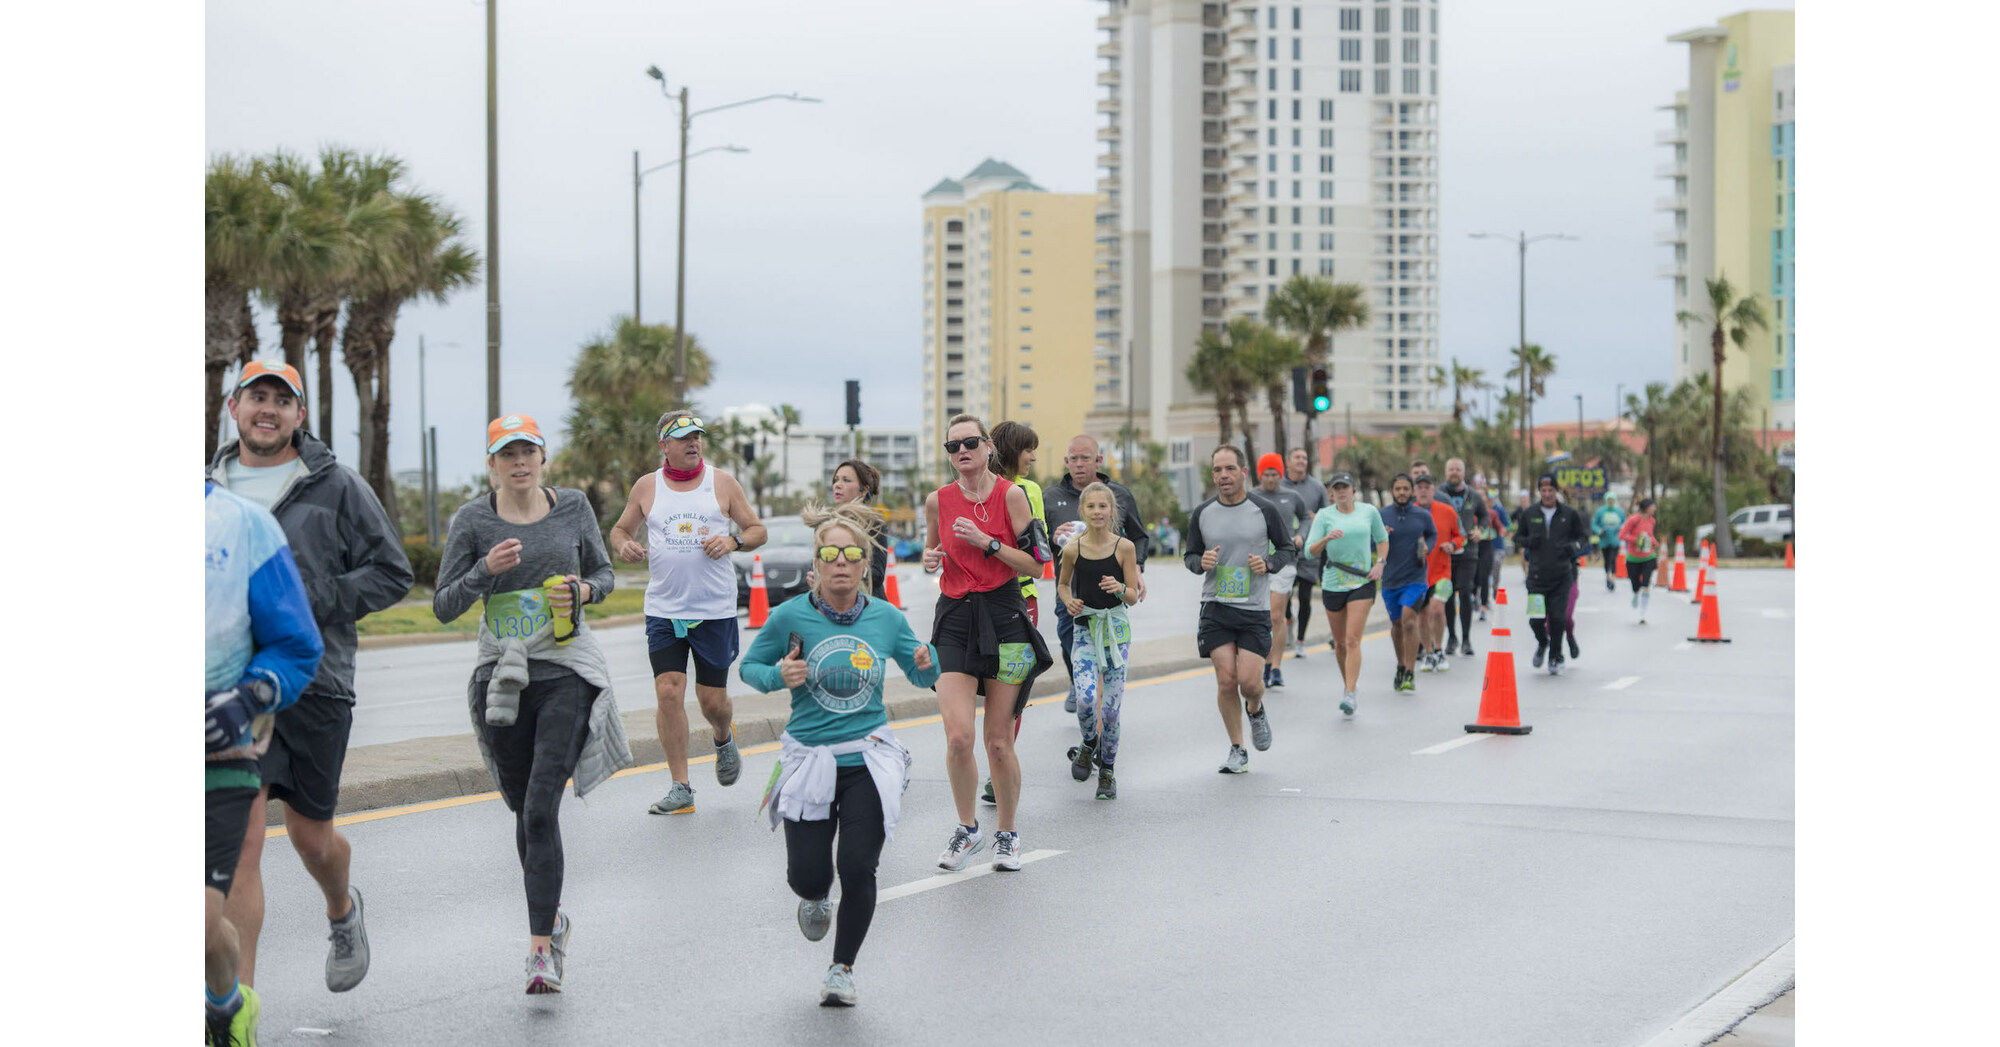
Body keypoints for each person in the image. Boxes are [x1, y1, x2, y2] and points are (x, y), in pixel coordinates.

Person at [207, 359, 413, 994]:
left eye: (280, 400)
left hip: (316, 681)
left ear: (299, 415)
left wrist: (307, 598)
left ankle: (342, 909)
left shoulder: (335, 485)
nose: (266, 409)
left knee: (311, 836)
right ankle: (234, 1011)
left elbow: (392, 571)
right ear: (234, 408)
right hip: (232, 695)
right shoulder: (207, 490)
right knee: (242, 846)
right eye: (255, 396)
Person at [434, 414, 632, 993]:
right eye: (507, 453)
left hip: (565, 669)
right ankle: (553, 917)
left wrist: (584, 590)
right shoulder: (472, 520)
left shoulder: (571, 506)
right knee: (525, 811)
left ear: (543, 459)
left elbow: (603, 572)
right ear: (492, 463)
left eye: (529, 451)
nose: (519, 462)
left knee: (543, 805)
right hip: (503, 675)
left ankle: (540, 950)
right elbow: (444, 604)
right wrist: (483, 570)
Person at [742, 501, 938, 1007]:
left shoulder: (886, 619)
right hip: (810, 757)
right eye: (831, 553)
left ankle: (842, 969)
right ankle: (812, 896)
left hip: (868, 758)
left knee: (858, 866)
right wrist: (776, 676)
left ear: (863, 564)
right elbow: (750, 668)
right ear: (817, 564)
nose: (842, 563)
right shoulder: (789, 615)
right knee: (808, 876)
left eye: (852, 554)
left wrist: (928, 661)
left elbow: (922, 675)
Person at [205, 480, 324, 1047]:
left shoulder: (244, 525)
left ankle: (225, 1003)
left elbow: (298, 644)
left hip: (216, 759)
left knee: (199, 924)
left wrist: (247, 698)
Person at [609, 410, 768, 816]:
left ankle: (722, 735)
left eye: (696, 436)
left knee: (712, 701)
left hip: (713, 610)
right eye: (683, 438)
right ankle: (681, 786)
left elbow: (756, 531)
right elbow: (620, 530)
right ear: (664, 445)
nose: (692, 443)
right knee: (668, 692)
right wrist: (624, 544)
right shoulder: (648, 487)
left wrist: (732, 542)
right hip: (663, 608)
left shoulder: (722, 482)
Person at [923, 414, 1053, 871]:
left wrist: (988, 543)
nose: (962, 451)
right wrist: (929, 558)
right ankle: (967, 829)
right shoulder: (937, 501)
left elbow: (1038, 566)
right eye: (952, 445)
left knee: (998, 740)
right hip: (955, 617)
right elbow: (931, 553)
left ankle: (1008, 834)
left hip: (1004, 616)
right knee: (959, 735)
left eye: (970, 442)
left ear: (987, 448)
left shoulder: (1011, 495)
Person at [1183, 446, 1297, 773]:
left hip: (1253, 608)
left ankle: (1256, 709)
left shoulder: (1264, 509)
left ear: (1244, 473)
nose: (1223, 476)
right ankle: (1237, 748)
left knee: (1249, 683)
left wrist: (1269, 563)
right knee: (1225, 681)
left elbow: (1287, 548)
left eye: (1230, 469)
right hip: (1215, 606)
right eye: (1217, 470)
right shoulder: (1203, 512)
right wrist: (1199, 562)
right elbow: (1190, 556)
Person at [1041, 434, 1150, 715]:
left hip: (1110, 597)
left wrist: (1136, 568)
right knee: (1075, 651)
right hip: (1070, 597)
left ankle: (1099, 733)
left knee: (1102, 665)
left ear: (1098, 460)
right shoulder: (1050, 498)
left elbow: (1139, 537)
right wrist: (1053, 537)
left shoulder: (1120, 495)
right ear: (1066, 461)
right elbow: (1036, 542)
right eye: (1073, 459)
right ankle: (1078, 683)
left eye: (1085, 458)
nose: (1079, 464)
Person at [1054, 482, 1142, 799]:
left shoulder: (1125, 548)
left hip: (1116, 632)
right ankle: (1089, 741)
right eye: (1091, 507)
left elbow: (1133, 596)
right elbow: (1063, 585)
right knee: (1087, 699)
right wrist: (1068, 601)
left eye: (1102, 506)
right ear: (1082, 511)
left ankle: (1107, 771)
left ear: (1111, 510)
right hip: (1085, 629)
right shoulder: (1073, 548)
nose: (1097, 512)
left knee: (1112, 710)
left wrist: (1119, 587)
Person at [980, 421, 1051, 806]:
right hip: (974, 603)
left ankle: (998, 768)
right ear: (1010, 450)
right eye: (1028, 450)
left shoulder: (1028, 491)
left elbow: (1036, 550)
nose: (1034, 458)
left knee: (1007, 693)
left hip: (1019, 599)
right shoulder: (977, 485)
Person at [1305, 472, 1387, 716]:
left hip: (1362, 581)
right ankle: (1349, 684)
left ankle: (1350, 694)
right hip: (1333, 581)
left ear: (1353, 491)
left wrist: (1380, 563)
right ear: (1331, 493)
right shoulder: (1324, 516)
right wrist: (1327, 538)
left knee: (1352, 639)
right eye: (1336, 488)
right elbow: (1310, 552)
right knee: (1340, 644)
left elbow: (1382, 539)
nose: (1341, 491)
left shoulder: (1368, 512)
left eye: (1345, 487)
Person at [1515, 473, 1592, 675]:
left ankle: (1555, 656)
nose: (1547, 494)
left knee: (1558, 619)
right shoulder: (1530, 513)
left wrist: (1573, 546)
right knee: (1536, 620)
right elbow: (1518, 537)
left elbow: (1584, 537)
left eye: (1551, 490)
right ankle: (1542, 643)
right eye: (1543, 490)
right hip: (1537, 577)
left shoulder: (1568, 513)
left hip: (1561, 576)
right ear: (1539, 492)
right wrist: (1530, 541)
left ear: (1556, 491)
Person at [1252, 453, 1310, 688]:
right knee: (1262, 616)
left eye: (1275, 473)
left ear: (1281, 474)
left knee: (1276, 615)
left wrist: (1300, 535)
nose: (1270, 478)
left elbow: (1305, 517)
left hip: (1285, 562)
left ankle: (1275, 667)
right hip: (1256, 563)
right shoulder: (1252, 496)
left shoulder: (1291, 496)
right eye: (1266, 474)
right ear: (1259, 474)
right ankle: (1262, 663)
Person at [1378, 474, 1437, 694]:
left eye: (1405, 489)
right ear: (1392, 491)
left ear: (1411, 491)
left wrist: (1427, 547)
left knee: (1409, 621)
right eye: (1398, 488)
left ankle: (1411, 671)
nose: (1402, 492)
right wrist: (1380, 536)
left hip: (1415, 578)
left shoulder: (1422, 515)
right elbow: (1370, 541)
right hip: (1390, 579)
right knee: (1396, 626)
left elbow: (1432, 534)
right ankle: (1401, 664)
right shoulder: (1381, 515)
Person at [1434, 459, 1488, 657]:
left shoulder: (1473, 495)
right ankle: (1452, 637)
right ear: (1446, 472)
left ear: (1463, 472)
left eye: (1458, 469)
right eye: (1451, 469)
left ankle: (1466, 639)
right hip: (1445, 551)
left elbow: (1484, 516)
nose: (1454, 472)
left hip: (1468, 552)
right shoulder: (1438, 494)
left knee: (1465, 592)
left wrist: (1480, 530)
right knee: (1446, 594)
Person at [1412, 474, 1465, 673]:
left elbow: (1462, 536)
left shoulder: (1447, 511)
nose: (1424, 490)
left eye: (1427, 487)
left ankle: (1440, 649)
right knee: (1423, 616)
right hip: (1417, 573)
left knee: (1437, 609)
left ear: (1434, 491)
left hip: (1442, 572)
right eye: (1420, 487)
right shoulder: (1410, 513)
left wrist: (1453, 544)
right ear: (1414, 491)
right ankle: (1428, 653)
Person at [1279, 448, 1330, 658]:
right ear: (1288, 461)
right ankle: (1288, 619)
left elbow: (1328, 515)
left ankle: (1300, 640)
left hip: (1310, 550)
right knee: (1284, 595)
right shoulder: (1279, 485)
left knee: (1306, 597)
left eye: (1305, 457)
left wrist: (1317, 516)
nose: (1302, 460)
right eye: (1297, 457)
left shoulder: (1317, 487)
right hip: (1284, 550)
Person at [829, 458, 890, 600]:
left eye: (846, 480)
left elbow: (877, 575)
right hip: (832, 604)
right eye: (836, 480)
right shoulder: (826, 523)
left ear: (864, 490)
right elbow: (818, 562)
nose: (838, 485)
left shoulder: (874, 525)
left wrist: (849, 568)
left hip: (869, 605)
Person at [1618, 497, 1661, 624]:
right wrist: (1637, 540)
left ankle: (1642, 613)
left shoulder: (1652, 521)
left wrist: (1654, 541)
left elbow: (1650, 535)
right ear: (1647, 507)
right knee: (1635, 585)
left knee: (1646, 584)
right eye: (1653, 506)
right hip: (1633, 558)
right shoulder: (1634, 520)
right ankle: (1636, 593)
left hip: (1648, 556)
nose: (1655, 508)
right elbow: (1622, 535)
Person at [1591, 493, 1626, 593]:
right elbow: (1594, 524)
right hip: (1604, 540)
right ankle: (1607, 575)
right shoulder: (1600, 511)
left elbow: (1625, 522)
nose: (1610, 501)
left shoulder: (1619, 511)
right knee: (1607, 559)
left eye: (1612, 500)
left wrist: (1621, 528)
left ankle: (1612, 578)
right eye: (1609, 500)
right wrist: (1599, 530)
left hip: (1615, 540)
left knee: (1613, 558)